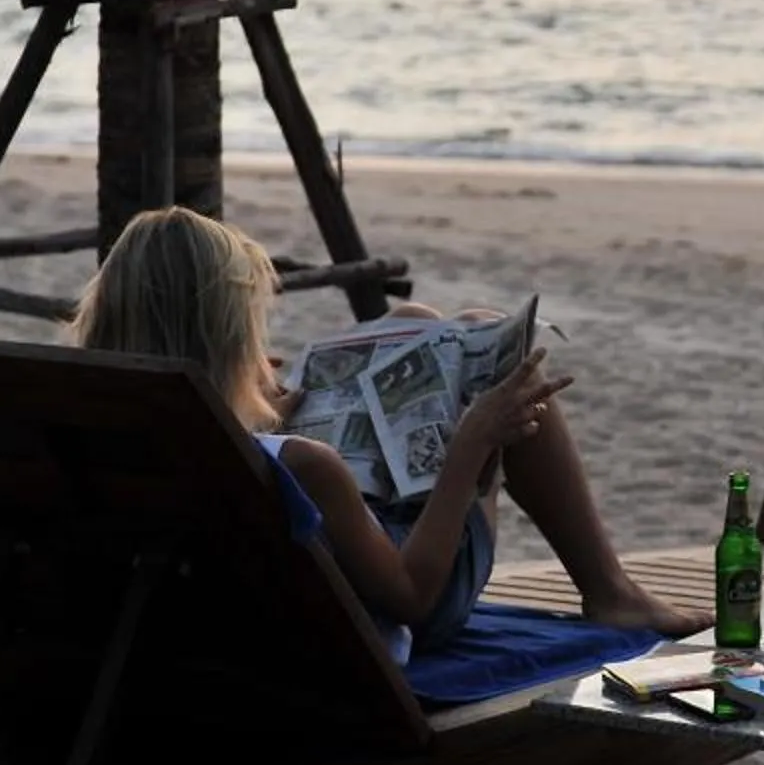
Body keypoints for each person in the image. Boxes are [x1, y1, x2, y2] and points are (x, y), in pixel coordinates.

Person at [69, 207, 710, 654]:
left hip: (231, 592)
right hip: (377, 606)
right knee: (497, 365)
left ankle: (608, 584)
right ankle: (610, 591)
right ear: (231, 336)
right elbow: (413, 599)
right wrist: (471, 449)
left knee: (415, 319)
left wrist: (252, 404)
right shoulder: (304, 464)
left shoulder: (107, 424)